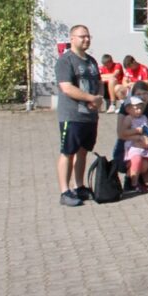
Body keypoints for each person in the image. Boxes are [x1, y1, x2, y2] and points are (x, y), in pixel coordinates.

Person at [55, 25, 104, 206]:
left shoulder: (91, 61)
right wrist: (90, 98)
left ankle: (79, 186)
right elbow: (66, 87)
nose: (86, 39)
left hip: (89, 116)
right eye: (82, 36)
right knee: (68, 152)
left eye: (88, 36)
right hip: (72, 115)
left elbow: (99, 83)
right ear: (72, 38)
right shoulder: (66, 60)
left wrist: (98, 98)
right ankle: (65, 191)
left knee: (83, 152)